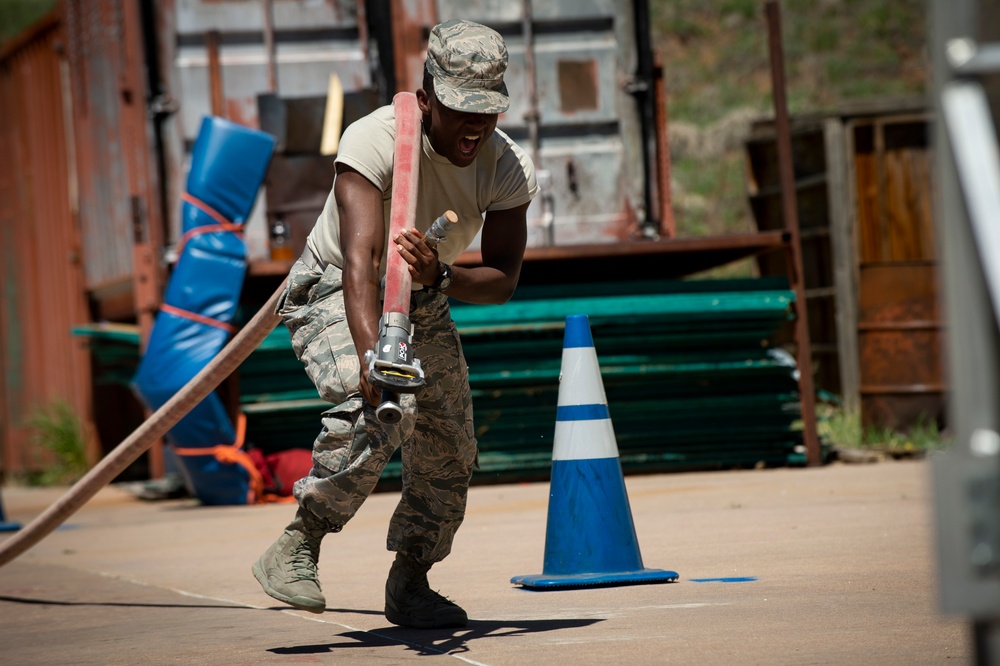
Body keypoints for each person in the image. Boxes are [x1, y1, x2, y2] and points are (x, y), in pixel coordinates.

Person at [252, 19, 537, 629]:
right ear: (428, 97)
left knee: (450, 442)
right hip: (334, 287)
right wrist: (369, 360)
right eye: (462, 110)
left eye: (486, 111)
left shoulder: (506, 164)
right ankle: (300, 541)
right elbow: (358, 261)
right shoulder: (373, 139)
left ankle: (411, 581)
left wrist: (439, 277)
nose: (475, 127)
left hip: (423, 294)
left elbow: (503, 281)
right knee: (382, 405)